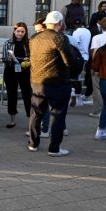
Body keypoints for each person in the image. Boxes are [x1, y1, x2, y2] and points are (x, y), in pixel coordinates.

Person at [27, 11, 75, 157]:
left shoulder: (34, 38)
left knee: (36, 113)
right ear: (60, 24)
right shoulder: (60, 38)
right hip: (57, 82)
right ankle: (54, 148)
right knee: (57, 115)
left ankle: (33, 144)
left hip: (37, 81)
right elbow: (69, 61)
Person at [2, 22, 32, 128]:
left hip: (25, 72)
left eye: (22, 31)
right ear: (14, 31)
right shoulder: (8, 43)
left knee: (27, 96)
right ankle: (12, 120)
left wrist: (22, 59)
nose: (20, 34)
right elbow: (5, 58)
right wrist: (20, 59)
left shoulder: (29, 43)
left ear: (26, 32)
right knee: (11, 96)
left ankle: (31, 120)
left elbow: (32, 57)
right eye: (18, 31)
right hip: (11, 72)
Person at [88, 17, 106, 118]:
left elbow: (94, 53)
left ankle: (98, 111)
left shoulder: (97, 38)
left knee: (97, 89)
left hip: (99, 66)